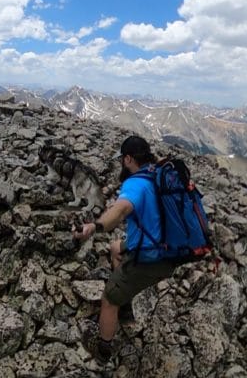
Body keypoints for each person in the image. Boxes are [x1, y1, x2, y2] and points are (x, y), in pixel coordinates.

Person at [71, 135, 179, 360]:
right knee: (115, 247)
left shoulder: (136, 183)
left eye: (123, 159)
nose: (122, 164)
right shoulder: (160, 174)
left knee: (108, 300)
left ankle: (103, 350)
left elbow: (119, 211)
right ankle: (126, 302)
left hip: (153, 256)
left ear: (128, 159)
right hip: (173, 246)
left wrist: (94, 226)